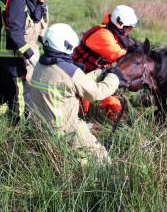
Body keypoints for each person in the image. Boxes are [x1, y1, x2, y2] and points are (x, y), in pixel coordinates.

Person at [30, 23, 128, 166]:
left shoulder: (41, 65)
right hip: (65, 130)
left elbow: (72, 84)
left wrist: (100, 72)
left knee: (73, 159)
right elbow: (95, 93)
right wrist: (114, 77)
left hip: (40, 127)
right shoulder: (71, 72)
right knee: (103, 159)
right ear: (67, 46)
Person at [72, 5, 139, 120]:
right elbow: (120, 56)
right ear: (120, 24)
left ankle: (114, 123)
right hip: (81, 75)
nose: (131, 31)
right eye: (129, 28)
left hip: (98, 74)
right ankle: (81, 121)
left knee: (114, 106)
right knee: (82, 109)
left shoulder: (114, 33)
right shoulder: (103, 35)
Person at [0, 0, 48, 123]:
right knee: (19, 98)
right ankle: (19, 129)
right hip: (10, 57)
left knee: (1, 92)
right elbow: (15, 33)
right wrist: (30, 55)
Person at [25, 0, 53, 82]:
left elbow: (43, 33)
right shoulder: (21, 4)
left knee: (31, 82)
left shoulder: (43, 8)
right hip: (19, 50)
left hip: (34, 51)